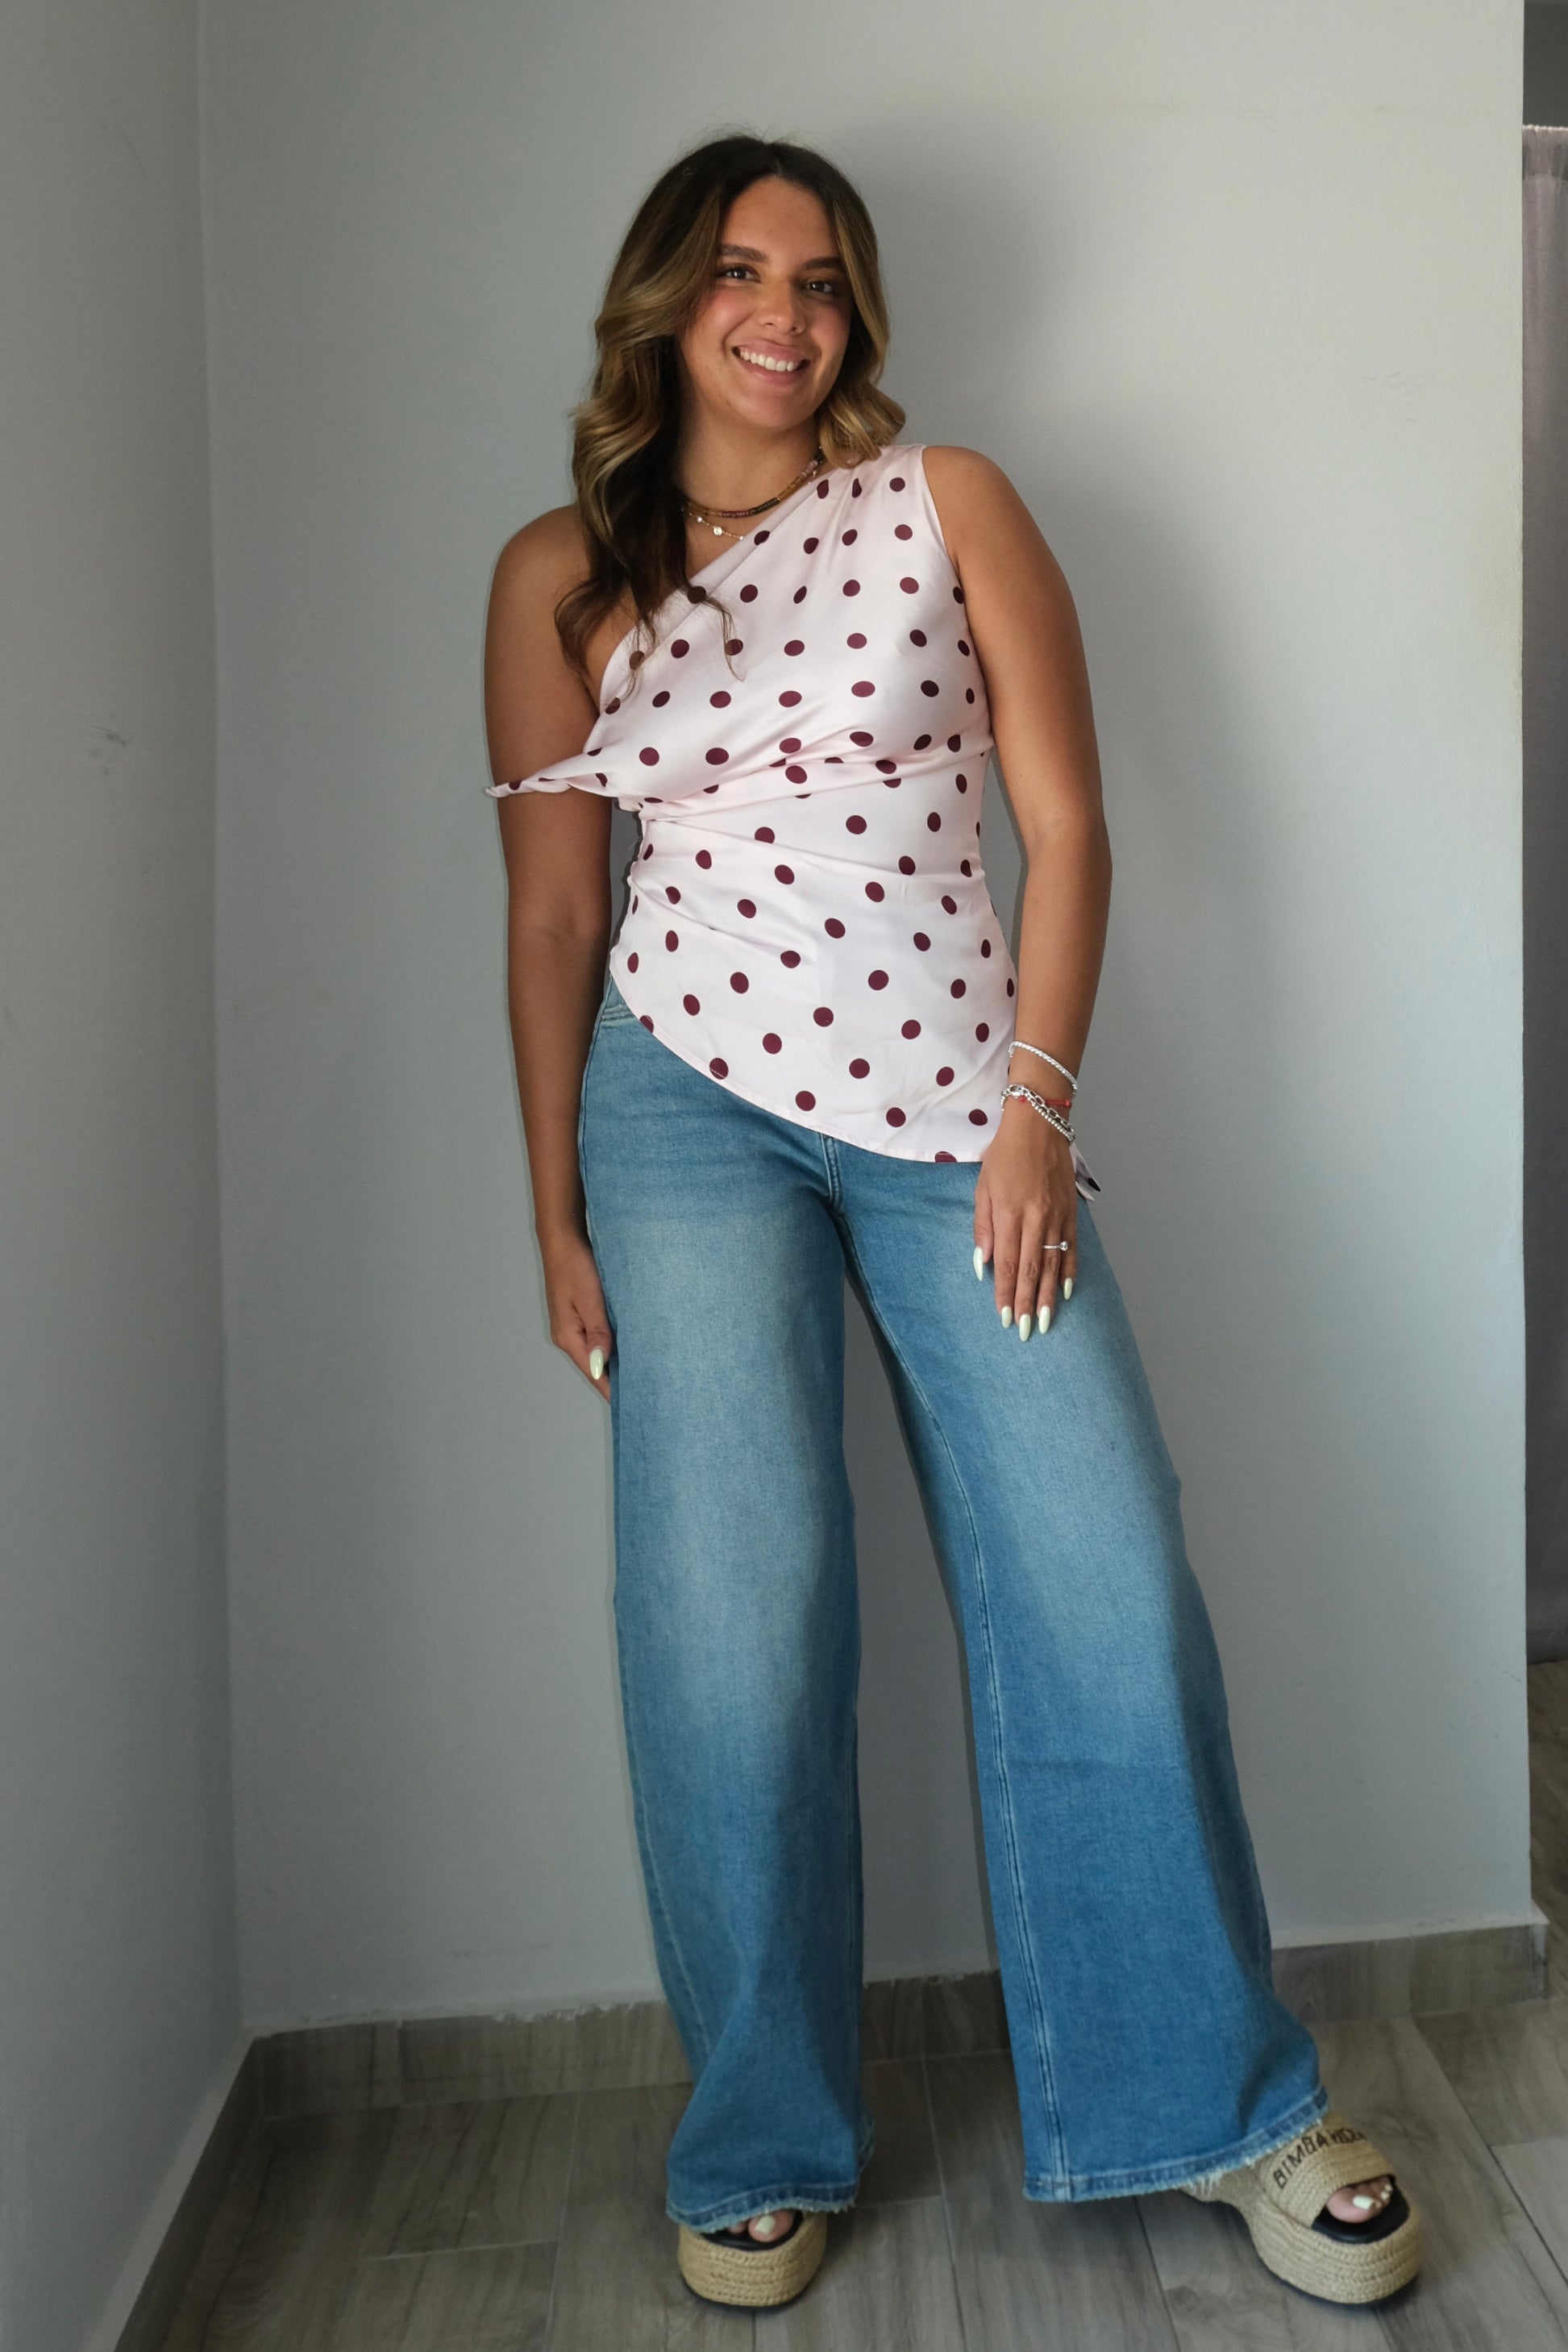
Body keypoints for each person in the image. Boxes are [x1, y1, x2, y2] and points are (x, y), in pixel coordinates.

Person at [482, 131, 1421, 2315]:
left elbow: (1065, 827)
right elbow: (549, 922)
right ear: (665, 301)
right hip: (676, 1112)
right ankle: (759, 2135)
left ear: (858, 315)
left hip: (950, 1110)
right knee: (732, 1622)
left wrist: (1033, 1115)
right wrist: (551, 1209)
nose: (782, 311)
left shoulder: (947, 501)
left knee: (1103, 1567)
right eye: (740, 269)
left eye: (820, 277)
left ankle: (1224, 2105)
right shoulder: (557, 574)